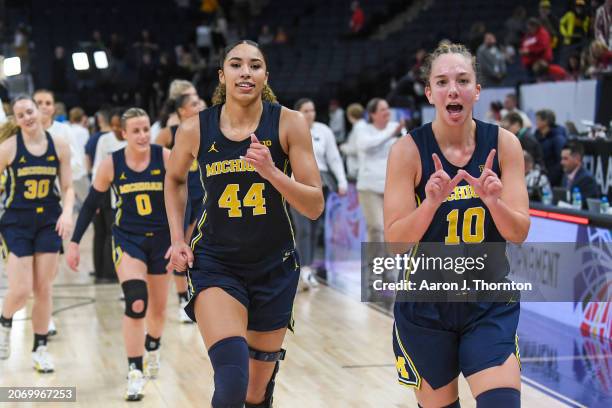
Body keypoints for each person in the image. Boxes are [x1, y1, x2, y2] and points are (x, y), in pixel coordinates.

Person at [165, 40, 324, 407]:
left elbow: (314, 205)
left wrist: (272, 172)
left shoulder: (289, 122)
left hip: (275, 267)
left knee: (255, 393)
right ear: (223, 76)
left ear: (265, 75)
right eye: (236, 65)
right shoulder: (194, 129)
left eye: (255, 65)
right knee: (232, 382)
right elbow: (173, 180)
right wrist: (177, 238)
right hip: (216, 265)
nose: (245, 72)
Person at [384, 43, 529, 407]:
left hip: (487, 300)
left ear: (477, 91)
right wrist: (430, 204)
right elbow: (395, 243)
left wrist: (494, 203)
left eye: (463, 80)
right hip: (426, 307)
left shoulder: (505, 144)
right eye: (443, 81)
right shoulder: (407, 151)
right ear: (429, 92)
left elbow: (519, 232)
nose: (453, 89)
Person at [66, 108, 171, 401]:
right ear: (123, 134)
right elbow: (90, 205)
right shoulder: (111, 164)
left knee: (159, 312)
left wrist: (185, 236)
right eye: (135, 130)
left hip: (162, 241)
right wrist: (74, 242)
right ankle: (134, 372)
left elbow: (186, 195)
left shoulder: (164, 156)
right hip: (128, 240)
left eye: (145, 128)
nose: (142, 135)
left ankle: (153, 345)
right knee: (137, 301)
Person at [0, 95, 74, 372]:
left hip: (48, 221)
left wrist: (67, 214)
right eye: (21, 115)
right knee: (20, 290)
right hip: (16, 222)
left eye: (29, 111)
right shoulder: (8, 148)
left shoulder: (59, 146)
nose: (27, 118)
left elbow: (67, 187)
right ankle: (5, 322)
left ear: (38, 111)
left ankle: (40, 348)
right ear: (16, 120)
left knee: (43, 289)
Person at [155, 92, 205, 322]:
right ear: (182, 111)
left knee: (199, 245)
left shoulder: (210, 129)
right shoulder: (170, 133)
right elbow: (153, 156)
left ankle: (198, 293)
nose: (201, 105)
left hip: (203, 192)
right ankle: (182, 298)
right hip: (183, 193)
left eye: (200, 101)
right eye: (194, 103)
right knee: (181, 244)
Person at [292, 98, 348, 289]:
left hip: (320, 184)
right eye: (306, 111)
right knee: (304, 230)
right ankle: (303, 268)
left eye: (312, 110)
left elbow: (334, 157)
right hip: (296, 185)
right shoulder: (289, 129)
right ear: (298, 112)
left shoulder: (324, 131)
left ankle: (307, 268)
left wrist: (341, 181)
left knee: (316, 229)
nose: (310, 114)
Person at [357, 98, 402, 247]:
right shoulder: (362, 128)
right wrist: (390, 135)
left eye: (387, 108)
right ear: (372, 114)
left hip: (392, 187)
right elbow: (366, 146)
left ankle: (390, 268)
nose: (387, 112)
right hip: (369, 187)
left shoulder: (397, 127)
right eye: (382, 109)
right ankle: (374, 266)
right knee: (376, 227)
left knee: (391, 229)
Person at [560, 140, 600, 208]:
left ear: (577, 159)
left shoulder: (587, 180)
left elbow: (584, 207)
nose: (561, 162)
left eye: (565, 159)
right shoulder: (565, 176)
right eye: (561, 158)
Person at [534, 109, 567, 186]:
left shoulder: (558, 138)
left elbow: (560, 161)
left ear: (545, 121)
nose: (536, 122)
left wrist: (551, 178)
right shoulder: (537, 135)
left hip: (553, 178)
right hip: (541, 175)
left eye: (538, 119)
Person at [340, 103, 366, 181]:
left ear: (350, 115)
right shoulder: (360, 126)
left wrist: (343, 147)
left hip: (357, 169)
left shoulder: (359, 128)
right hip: (358, 168)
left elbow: (356, 149)